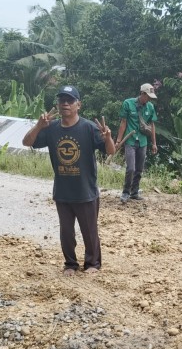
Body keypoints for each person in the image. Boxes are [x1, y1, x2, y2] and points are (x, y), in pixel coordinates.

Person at [23, 85, 115, 275]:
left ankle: (92, 264)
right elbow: (27, 142)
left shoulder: (89, 128)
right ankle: (70, 264)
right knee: (66, 232)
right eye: (61, 100)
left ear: (78, 105)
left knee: (90, 231)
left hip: (86, 190)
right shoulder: (51, 129)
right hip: (63, 191)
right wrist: (39, 125)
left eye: (70, 100)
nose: (65, 104)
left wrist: (108, 138)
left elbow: (111, 151)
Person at [116, 83, 158, 203]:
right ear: (142, 94)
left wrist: (154, 143)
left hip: (143, 141)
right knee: (131, 168)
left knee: (139, 169)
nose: (149, 99)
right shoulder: (128, 103)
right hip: (130, 140)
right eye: (147, 96)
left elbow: (152, 125)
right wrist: (118, 141)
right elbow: (123, 122)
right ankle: (125, 192)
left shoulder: (150, 107)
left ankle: (134, 192)